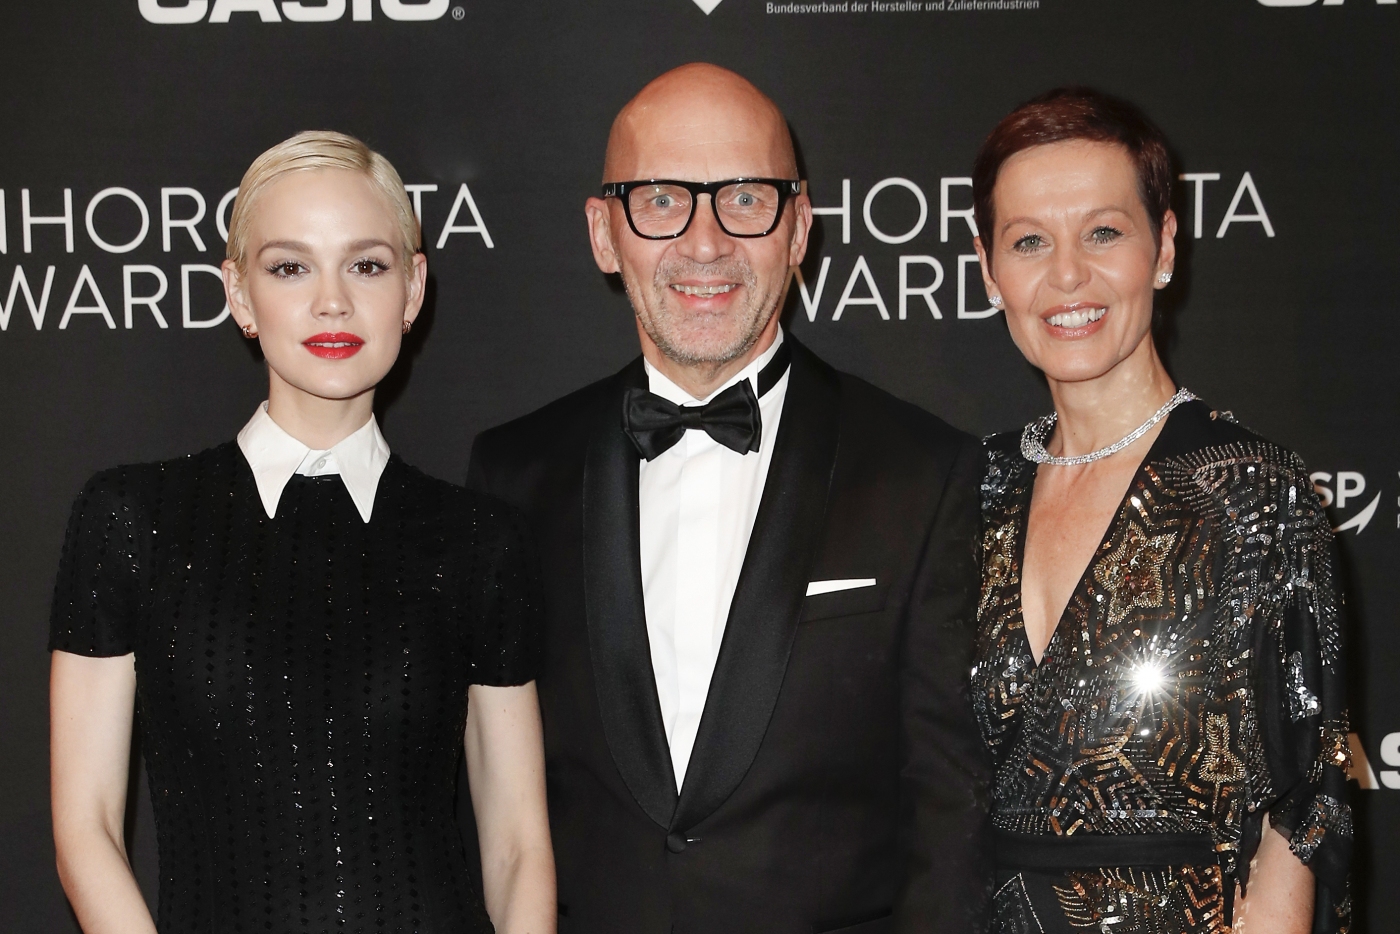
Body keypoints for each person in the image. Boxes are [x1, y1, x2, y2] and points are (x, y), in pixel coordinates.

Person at [466, 63, 992, 934]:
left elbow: (950, 815)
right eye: (661, 200)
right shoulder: (514, 474)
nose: (705, 242)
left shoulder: (923, 471)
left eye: (745, 199)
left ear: (799, 227)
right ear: (604, 234)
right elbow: (490, 805)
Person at [48, 131, 555, 934]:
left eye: (367, 265)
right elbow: (87, 830)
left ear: (413, 288)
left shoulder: (477, 540)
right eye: (290, 267)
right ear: (239, 295)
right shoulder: (132, 519)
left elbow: (519, 849)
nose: (333, 302)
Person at [969, 88, 1351, 934]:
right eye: (1029, 241)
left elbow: (1299, 813)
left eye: (1103, 232)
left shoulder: (1253, 492)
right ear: (990, 271)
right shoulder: (975, 489)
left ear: (1164, 247)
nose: (1067, 275)